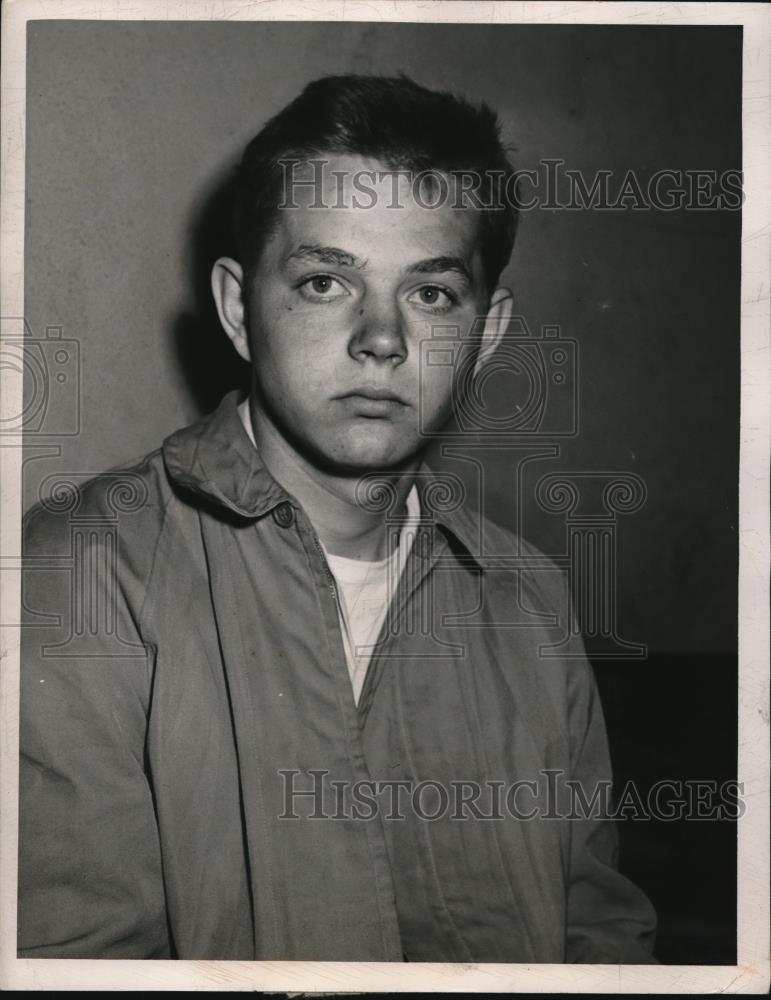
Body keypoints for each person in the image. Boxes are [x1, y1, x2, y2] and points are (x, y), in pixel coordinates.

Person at [17, 74, 657, 961]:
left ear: (488, 331)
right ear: (240, 310)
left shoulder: (531, 603)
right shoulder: (73, 576)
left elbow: (601, 943)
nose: (382, 338)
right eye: (325, 282)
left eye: (431, 294)